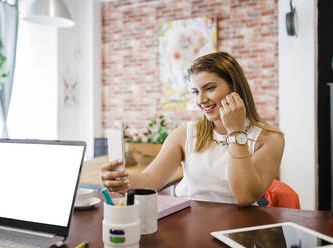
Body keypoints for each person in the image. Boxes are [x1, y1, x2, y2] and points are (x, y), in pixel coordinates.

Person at [100, 52, 284, 206]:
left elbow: (245, 197)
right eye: (196, 92)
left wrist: (235, 132)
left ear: (234, 88)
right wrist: (120, 181)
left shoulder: (269, 139)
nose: (200, 100)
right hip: (188, 222)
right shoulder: (184, 134)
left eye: (209, 88)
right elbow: (150, 180)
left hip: (237, 228)